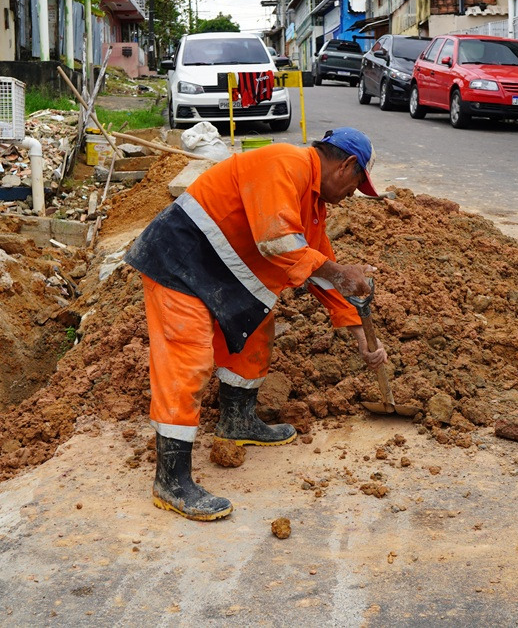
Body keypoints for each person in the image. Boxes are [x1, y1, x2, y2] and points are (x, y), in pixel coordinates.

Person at [124, 127, 389, 521]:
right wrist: (338, 272)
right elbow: (277, 242)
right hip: (178, 261)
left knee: (255, 333)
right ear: (346, 165)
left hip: (218, 272)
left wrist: (358, 333)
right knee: (188, 360)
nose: (353, 194)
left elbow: (319, 268)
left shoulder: (312, 201)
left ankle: (237, 421)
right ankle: (171, 480)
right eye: (356, 183)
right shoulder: (286, 164)